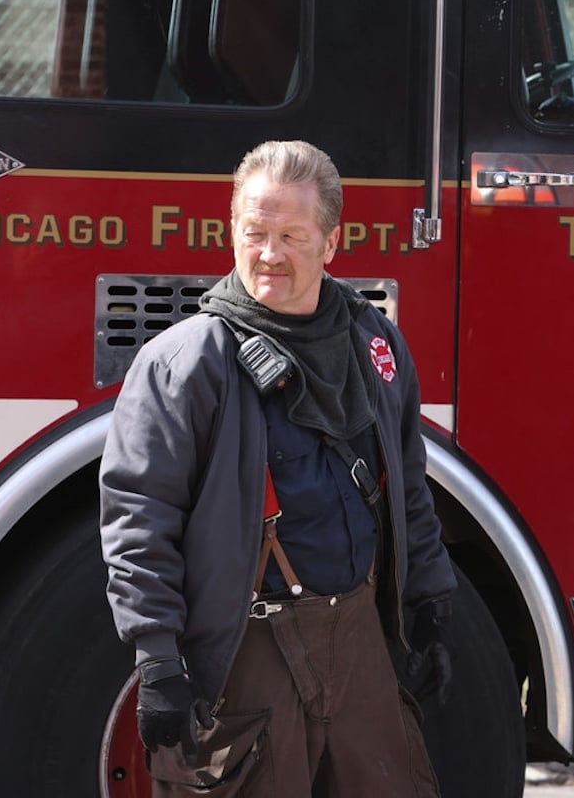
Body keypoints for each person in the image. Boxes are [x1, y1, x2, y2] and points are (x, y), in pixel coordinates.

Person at [100, 139, 455, 796]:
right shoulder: (185, 364)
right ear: (232, 230)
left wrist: (427, 606)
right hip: (246, 660)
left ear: (331, 242)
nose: (269, 254)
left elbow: (406, 482)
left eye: (291, 235)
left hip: (360, 644)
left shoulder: (374, 342)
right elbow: (138, 522)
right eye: (254, 232)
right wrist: (157, 661)